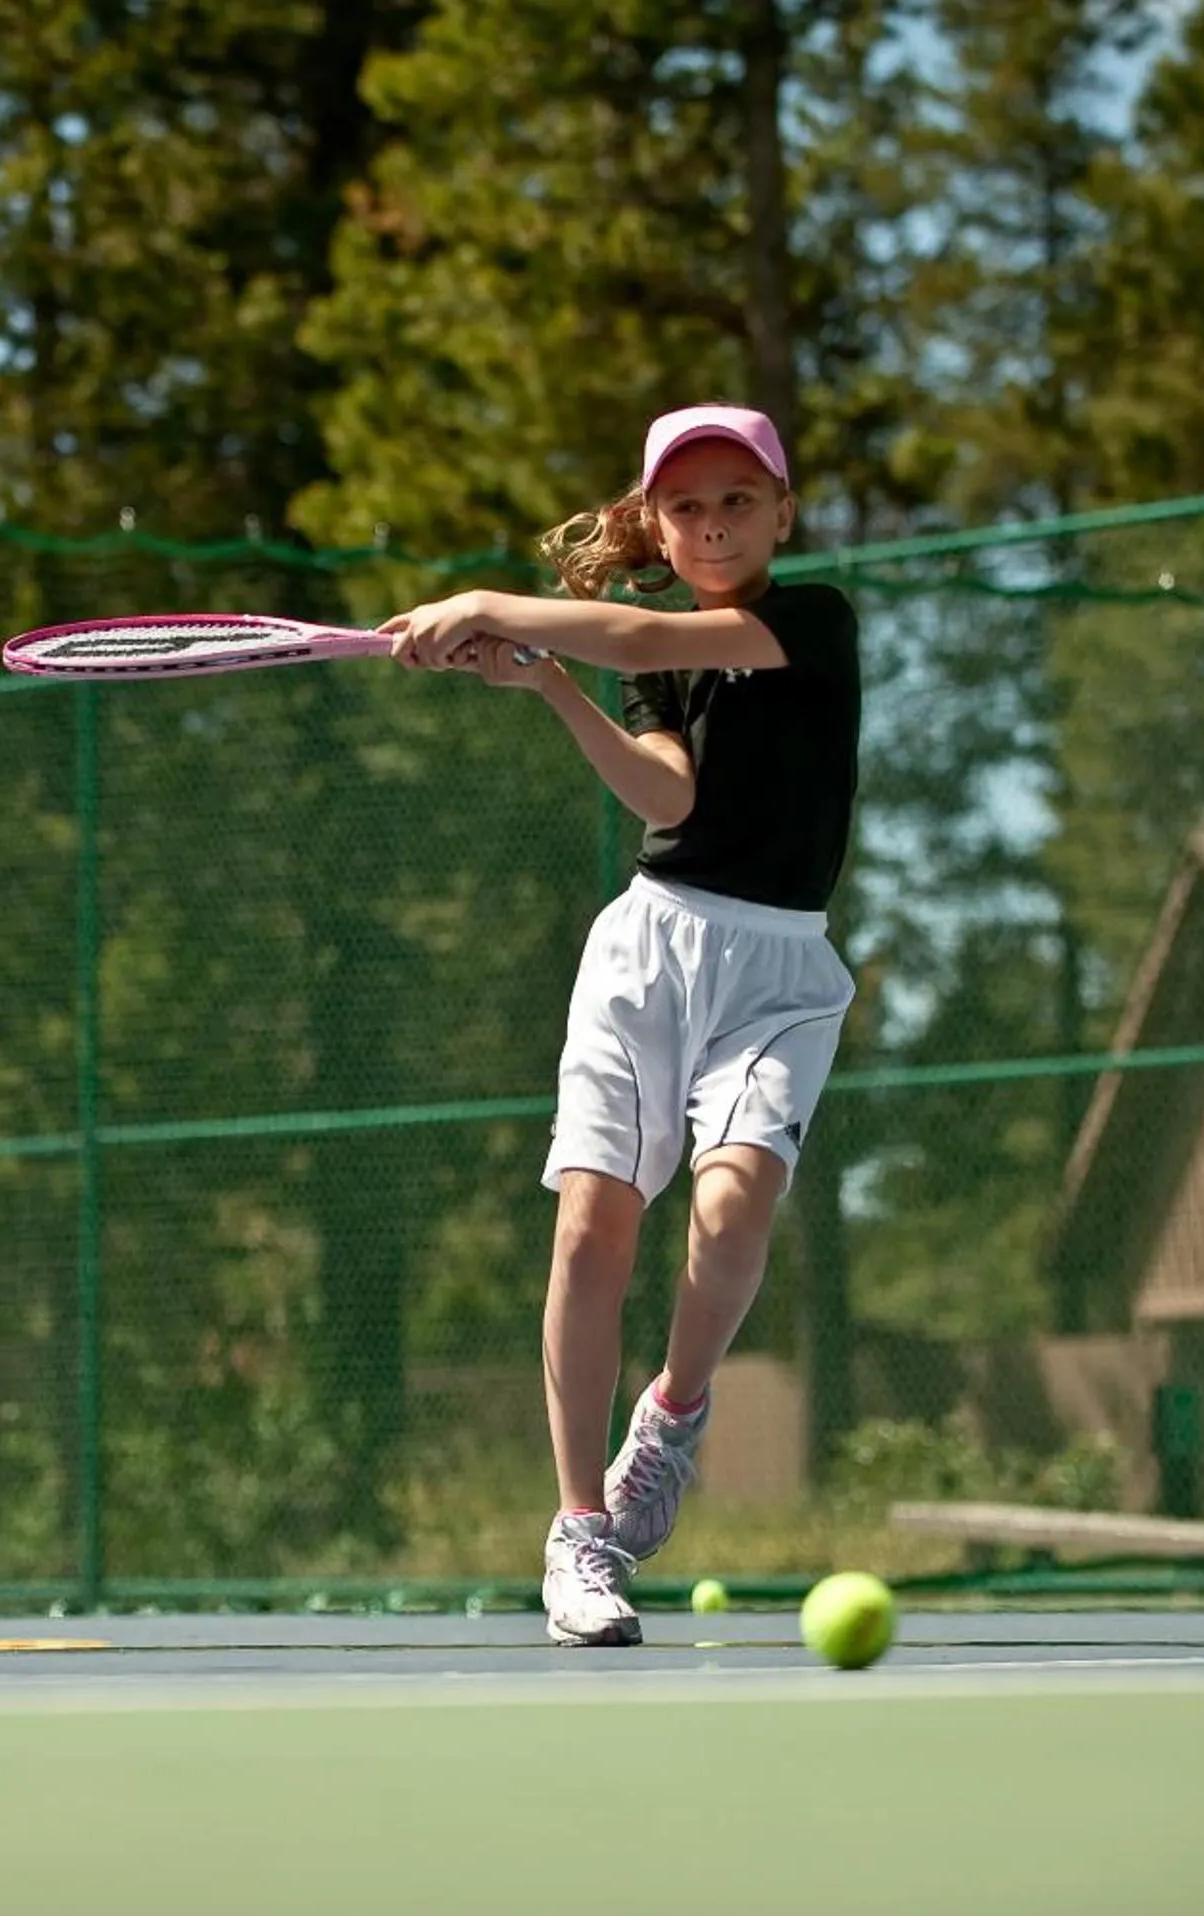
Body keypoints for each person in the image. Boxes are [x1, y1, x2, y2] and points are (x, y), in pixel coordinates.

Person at [380, 404, 861, 1646]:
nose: (712, 522)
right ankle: (580, 1528)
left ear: (781, 514)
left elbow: (641, 623)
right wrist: (548, 687)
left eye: (737, 500)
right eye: (687, 505)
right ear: (656, 518)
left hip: (781, 970)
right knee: (594, 1225)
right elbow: (670, 791)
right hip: (650, 947)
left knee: (735, 1203)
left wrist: (496, 605)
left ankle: (677, 1409)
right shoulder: (658, 659)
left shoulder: (813, 622)